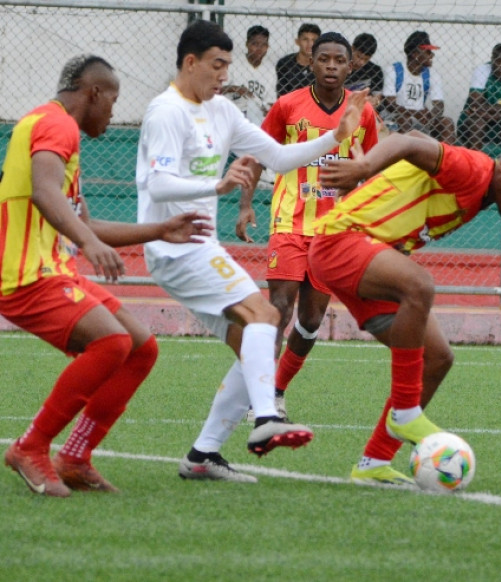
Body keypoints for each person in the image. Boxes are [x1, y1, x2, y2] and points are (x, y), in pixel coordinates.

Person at [137, 20, 367, 482]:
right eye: (217, 66)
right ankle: (267, 418)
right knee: (267, 316)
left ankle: (203, 456)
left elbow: (279, 157)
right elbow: (156, 183)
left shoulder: (221, 111)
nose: (224, 76)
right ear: (190, 62)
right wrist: (218, 184)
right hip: (174, 244)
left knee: (253, 343)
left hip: (198, 246)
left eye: (228, 66)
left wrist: (337, 136)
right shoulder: (165, 112)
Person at [1, 55, 212, 497]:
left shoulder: (58, 131)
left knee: (140, 348)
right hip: (21, 275)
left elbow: (84, 224)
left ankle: (75, 457)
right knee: (112, 342)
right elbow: (44, 193)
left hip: (49, 269)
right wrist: (89, 245)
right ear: (93, 92)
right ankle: (31, 446)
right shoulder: (55, 125)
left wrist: (158, 230)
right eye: (113, 100)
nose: (114, 113)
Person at [313, 133, 501, 485]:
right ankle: (406, 412)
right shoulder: (475, 170)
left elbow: (415, 139)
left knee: (438, 358)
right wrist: (364, 167)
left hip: (367, 255)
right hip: (341, 241)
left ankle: (373, 464)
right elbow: (409, 143)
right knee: (419, 285)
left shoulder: (480, 192)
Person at [237, 32, 379, 421]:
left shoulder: (362, 112)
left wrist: (364, 192)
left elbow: (372, 164)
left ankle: (278, 389)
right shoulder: (287, 106)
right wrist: (246, 205)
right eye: (324, 59)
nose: (331, 66)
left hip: (334, 230)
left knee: (311, 320)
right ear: (310, 62)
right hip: (288, 221)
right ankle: (261, 399)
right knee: (279, 307)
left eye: (339, 60)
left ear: (351, 67)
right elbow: (259, 156)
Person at [381, 30, 455, 144]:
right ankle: (402, 159)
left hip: (421, 118)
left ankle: (447, 159)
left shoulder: (432, 74)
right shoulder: (394, 70)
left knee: (447, 122)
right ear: (415, 54)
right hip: (395, 116)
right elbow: (389, 104)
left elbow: (439, 104)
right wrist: (414, 113)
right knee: (404, 120)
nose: (432, 55)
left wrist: (431, 116)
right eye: (428, 52)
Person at [221, 25, 277, 126]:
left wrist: (267, 109)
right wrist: (234, 88)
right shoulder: (234, 63)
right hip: (234, 111)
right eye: (255, 44)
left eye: (263, 45)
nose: (259, 48)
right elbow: (218, 90)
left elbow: (270, 101)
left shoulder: (270, 69)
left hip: (257, 115)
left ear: (268, 47)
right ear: (247, 44)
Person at [276, 23, 320, 97]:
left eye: (314, 40)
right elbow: (281, 92)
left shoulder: (321, 65)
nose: (310, 44)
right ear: (297, 41)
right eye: (305, 39)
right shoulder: (285, 63)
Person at [345, 33, 384, 106]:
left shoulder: (375, 71)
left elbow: (377, 97)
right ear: (352, 48)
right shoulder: (340, 67)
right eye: (358, 56)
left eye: (366, 59)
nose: (361, 63)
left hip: (364, 109)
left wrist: (375, 101)